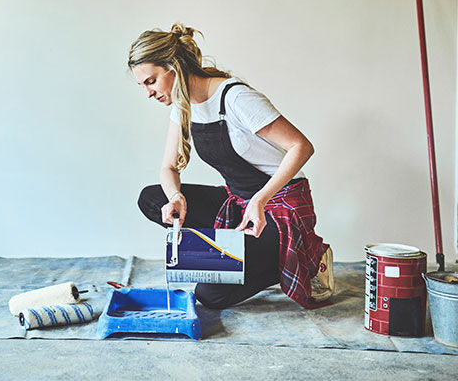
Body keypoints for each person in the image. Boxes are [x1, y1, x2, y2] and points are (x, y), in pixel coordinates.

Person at [129, 23, 334, 309]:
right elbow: (168, 168)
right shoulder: (182, 103)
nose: (149, 93)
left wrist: (260, 200)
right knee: (151, 198)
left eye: (151, 81)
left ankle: (304, 258)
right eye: (143, 85)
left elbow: (301, 147)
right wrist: (175, 197)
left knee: (210, 295)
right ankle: (244, 252)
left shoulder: (236, 98)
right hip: (239, 204)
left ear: (173, 66)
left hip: (279, 210)